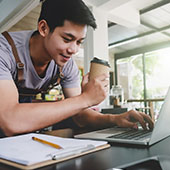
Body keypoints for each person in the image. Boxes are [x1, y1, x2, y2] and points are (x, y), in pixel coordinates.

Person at [0, 0, 153, 137]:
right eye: (67, 39)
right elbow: (10, 121)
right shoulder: (4, 50)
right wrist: (85, 98)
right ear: (43, 28)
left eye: (79, 42)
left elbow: (80, 115)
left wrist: (115, 119)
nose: (74, 50)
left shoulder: (66, 65)